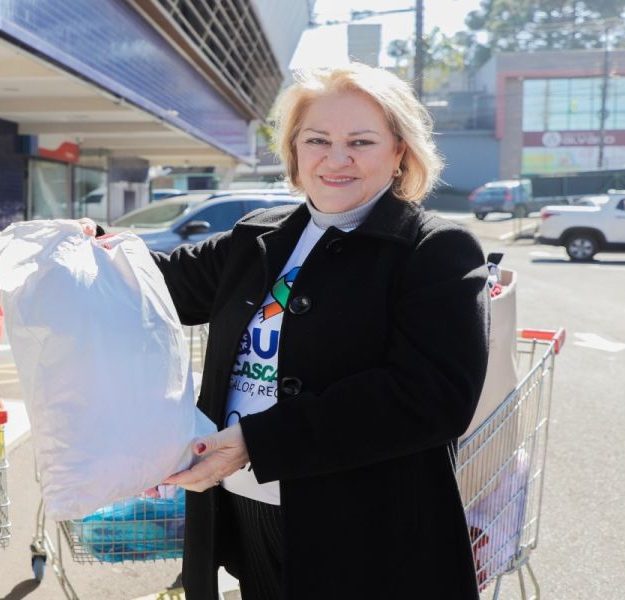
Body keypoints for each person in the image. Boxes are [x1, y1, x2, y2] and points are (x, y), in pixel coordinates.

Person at [107, 62, 491, 599]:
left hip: (367, 532)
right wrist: (88, 247)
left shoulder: (436, 251)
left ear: (400, 151)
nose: (336, 159)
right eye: (317, 140)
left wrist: (256, 442)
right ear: (293, 149)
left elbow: (430, 397)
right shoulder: (256, 238)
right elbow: (158, 282)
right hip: (249, 506)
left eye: (361, 140)